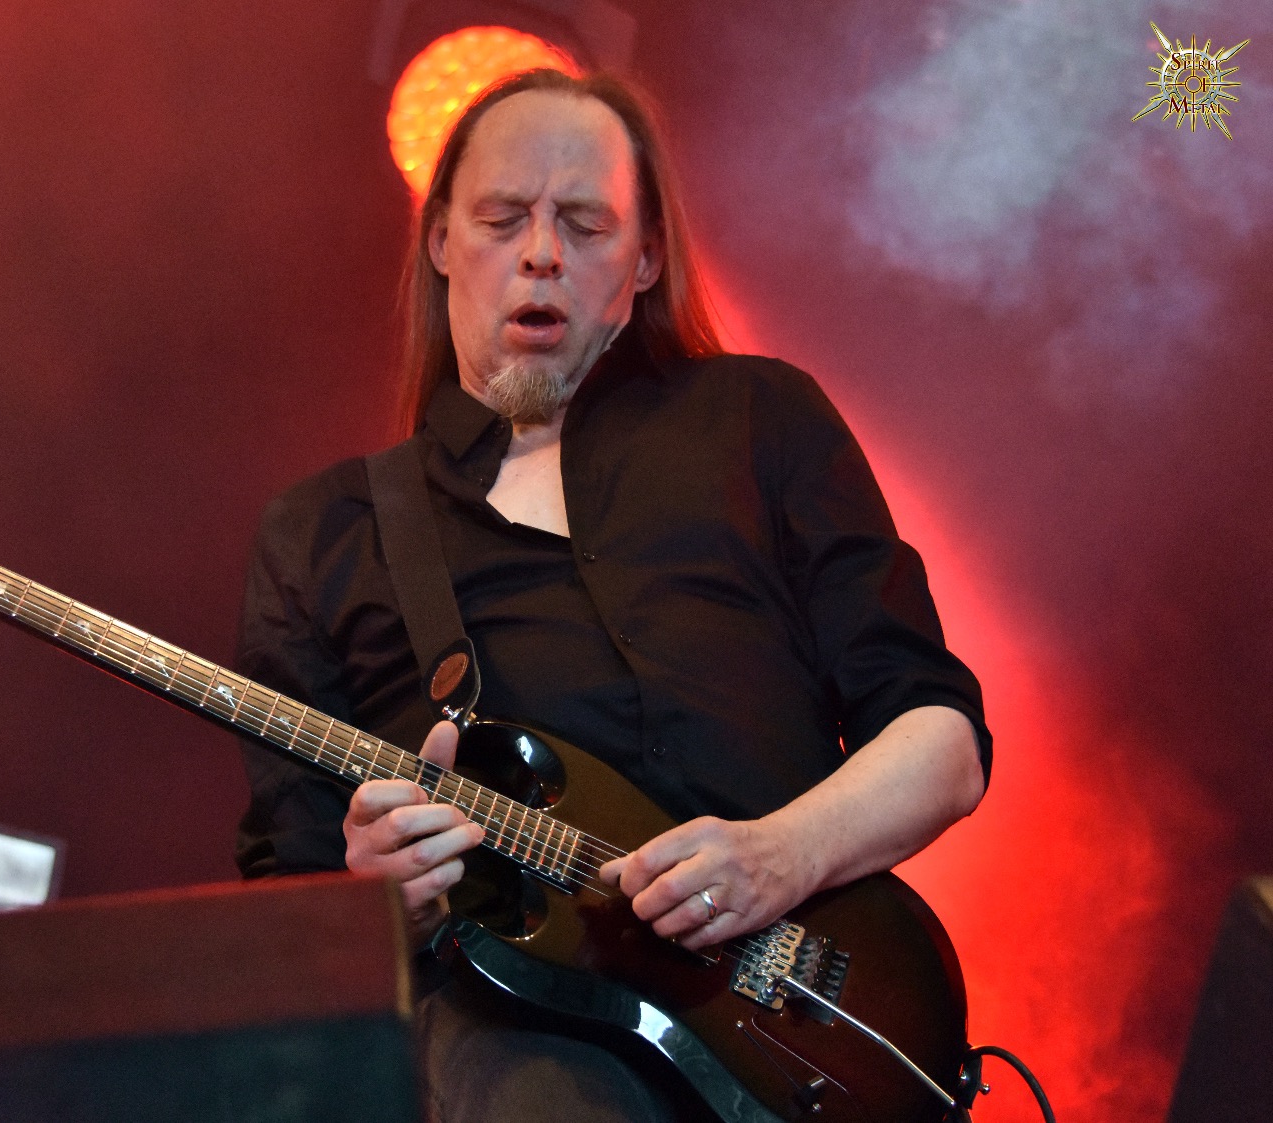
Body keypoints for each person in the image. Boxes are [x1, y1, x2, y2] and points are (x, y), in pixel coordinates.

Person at [234, 68, 989, 1123]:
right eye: (503, 217)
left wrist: (781, 856)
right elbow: (286, 930)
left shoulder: (759, 418)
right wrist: (377, 904)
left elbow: (941, 742)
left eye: (585, 224)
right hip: (523, 1053)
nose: (541, 251)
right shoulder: (326, 533)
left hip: (809, 1032)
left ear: (645, 260)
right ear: (441, 241)